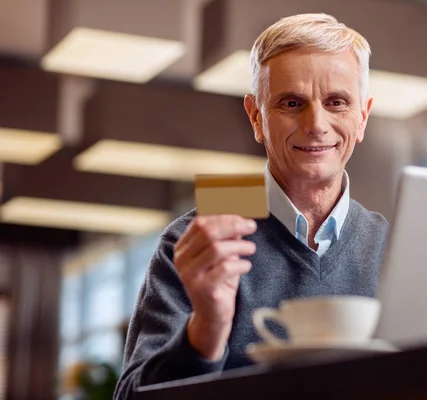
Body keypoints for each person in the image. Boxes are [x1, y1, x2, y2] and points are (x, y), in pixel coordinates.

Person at [113, 13, 388, 399]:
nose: (316, 123)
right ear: (256, 117)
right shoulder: (196, 240)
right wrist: (206, 329)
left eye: (337, 102)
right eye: (292, 103)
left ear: (362, 117)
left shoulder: (394, 247)